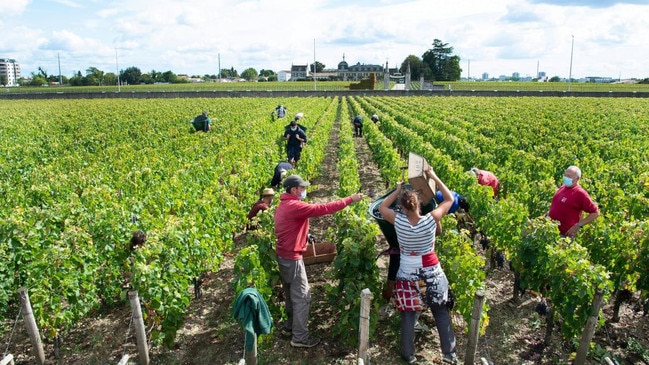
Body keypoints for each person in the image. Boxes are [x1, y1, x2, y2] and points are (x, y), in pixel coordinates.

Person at [378, 167, 458, 364]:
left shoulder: (398, 221)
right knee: (440, 311)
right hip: (432, 273)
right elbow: (449, 200)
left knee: (409, 314)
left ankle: (408, 354)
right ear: (419, 206)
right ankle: (449, 354)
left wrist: (397, 191)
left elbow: (381, 208)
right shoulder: (431, 220)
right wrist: (433, 177)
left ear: (403, 208)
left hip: (407, 275)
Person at [274, 175, 364, 348]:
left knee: (291, 293)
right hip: (292, 258)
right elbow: (323, 208)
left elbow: (286, 226)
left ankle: (289, 327)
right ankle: (299, 337)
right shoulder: (295, 205)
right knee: (302, 296)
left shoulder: (283, 204)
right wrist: (350, 199)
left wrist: (304, 235)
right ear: (293, 190)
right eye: (302, 188)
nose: (304, 191)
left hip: (283, 255)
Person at [548, 165, 600, 237]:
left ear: (577, 178)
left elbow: (595, 212)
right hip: (550, 230)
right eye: (565, 175)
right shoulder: (563, 187)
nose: (566, 178)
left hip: (564, 235)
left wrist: (578, 225)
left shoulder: (580, 193)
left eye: (569, 176)